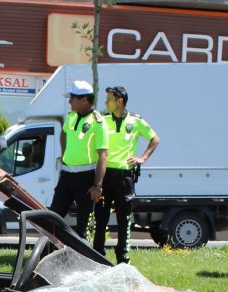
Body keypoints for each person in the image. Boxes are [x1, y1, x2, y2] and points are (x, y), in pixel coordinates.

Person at [96, 85, 159, 264]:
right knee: (100, 217)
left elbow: (155, 139)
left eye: (109, 99)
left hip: (124, 178)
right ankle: (98, 254)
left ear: (120, 101)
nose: (105, 102)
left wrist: (143, 158)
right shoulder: (103, 120)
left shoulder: (135, 121)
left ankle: (123, 258)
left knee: (124, 219)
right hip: (105, 176)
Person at [51, 81, 108, 239]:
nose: (69, 102)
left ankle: (84, 260)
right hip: (67, 175)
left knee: (83, 224)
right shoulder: (71, 117)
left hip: (86, 178)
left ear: (84, 100)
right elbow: (63, 134)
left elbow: (103, 155)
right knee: (53, 217)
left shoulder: (98, 122)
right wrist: (64, 154)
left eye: (72, 98)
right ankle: (49, 253)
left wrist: (97, 185)